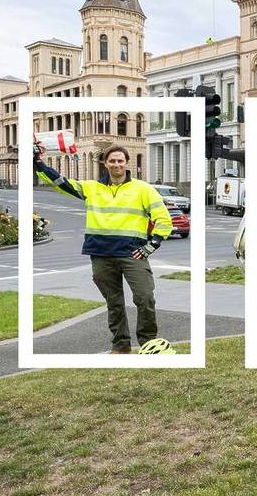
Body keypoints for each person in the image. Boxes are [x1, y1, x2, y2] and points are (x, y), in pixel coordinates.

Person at [34, 143, 173, 354]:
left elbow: (163, 219)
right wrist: (38, 163)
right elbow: (60, 183)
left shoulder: (143, 189)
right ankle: (120, 346)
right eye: (112, 160)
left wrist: (151, 245)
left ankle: (148, 343)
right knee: (114, 303)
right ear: (105, 163)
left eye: (120, 160)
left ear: (126, 163)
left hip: (132, 254)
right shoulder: (92, 188)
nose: (117, 164)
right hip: (101, 254)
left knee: (145, 297)